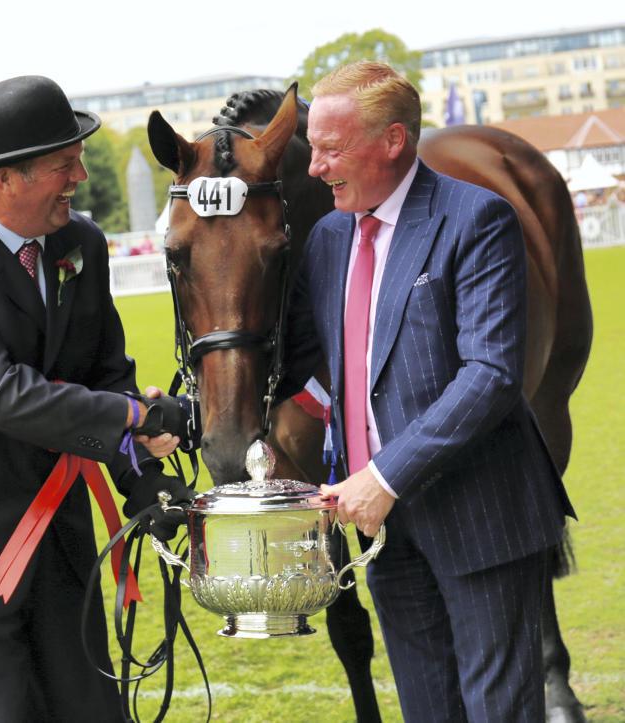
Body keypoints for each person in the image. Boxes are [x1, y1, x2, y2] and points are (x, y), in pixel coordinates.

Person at [0, 75, 193, 722]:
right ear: (4, 180)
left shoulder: (80, 242)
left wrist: (143, 478)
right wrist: (137, 417)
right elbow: (3, 394)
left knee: (92, 710)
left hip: (63, 534)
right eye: (63, 163)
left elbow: (106, 369)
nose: (80, 174)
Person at [281, 62, 575, 721]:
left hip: (481, 516)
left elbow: (492, 374)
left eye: (330, 148)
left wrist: (382, 476)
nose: (314, 167)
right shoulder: (328, 238)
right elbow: (300, 364)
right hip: (384, 532)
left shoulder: (478, 218)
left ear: (391, 141)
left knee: (498, 710)